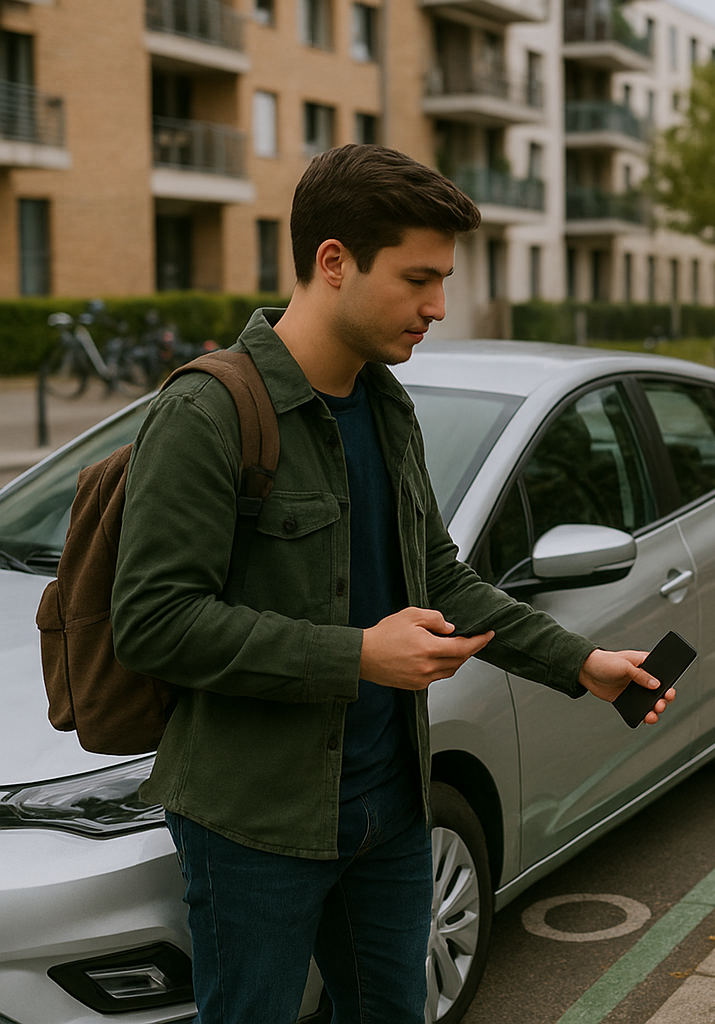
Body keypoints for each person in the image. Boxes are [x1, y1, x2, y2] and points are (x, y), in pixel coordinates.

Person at [111, 144, 676, 1023]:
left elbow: (440, 574)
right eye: (418, 279)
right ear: (333, 262)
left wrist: (581, 663)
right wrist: (359, 657)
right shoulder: (207, 411)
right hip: (254, 827)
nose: (437, 308)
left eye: (443, 280)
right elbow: (154, 622)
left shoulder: (386, 403)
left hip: (390, 809)